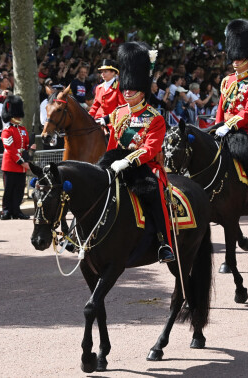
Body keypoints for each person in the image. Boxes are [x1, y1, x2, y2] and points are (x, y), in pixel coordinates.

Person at [104, 42, 175, 263]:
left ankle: (165, 243)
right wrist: (107, 163)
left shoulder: (155, 117)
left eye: (131, 89)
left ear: (142, 90)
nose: (127, 92)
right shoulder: (118, 114)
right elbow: (113, 144)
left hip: (145, 166)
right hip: (117, 163)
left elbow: (150, 149)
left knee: (155, 194)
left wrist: (127, 161)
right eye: (125, 88)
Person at [215, 19, 248, 221]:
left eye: (239, 57)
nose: (235, 61)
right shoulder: (227, 80)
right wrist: (218, 125)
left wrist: (229, 125)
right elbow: (221, 106)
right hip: (223, 128)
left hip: (242, 129)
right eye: (234, 57)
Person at [0, 95, 35, 220]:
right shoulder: (7, 131)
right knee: (9, 190)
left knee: (19, 190)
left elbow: (25, 146)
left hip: (21, 166)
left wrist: (31, 148)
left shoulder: (22, 129)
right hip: (11, 164)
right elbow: (11, 149)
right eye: (17, 115)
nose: (19, 117)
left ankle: (16, 210)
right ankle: (6, 210)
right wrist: (22, 162)